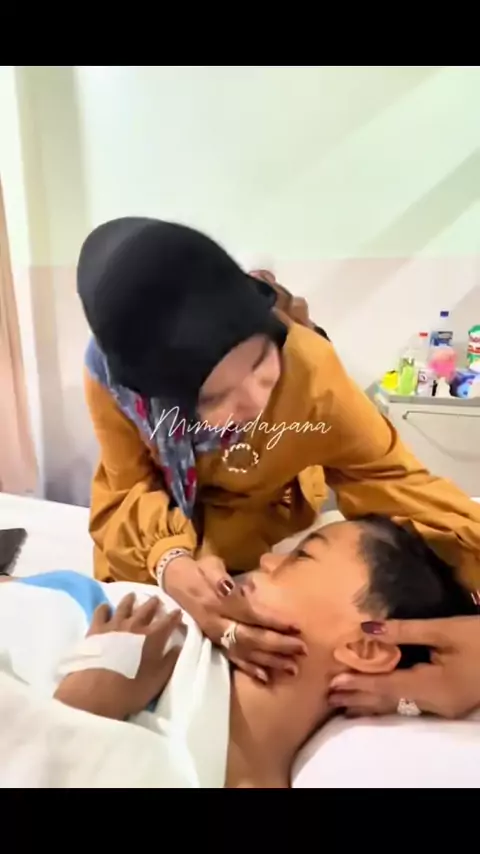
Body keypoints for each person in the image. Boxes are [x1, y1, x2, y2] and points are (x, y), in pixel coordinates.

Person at [77, 217, 480, 685]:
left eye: (260, 362)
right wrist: (170, 564)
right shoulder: (113, 383)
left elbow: (393, 480)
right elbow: (128, 485)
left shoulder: (308, 371)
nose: (253, 400)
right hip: (150, 564)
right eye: (213, 397)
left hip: (251, 535)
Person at [0, 515, 478, 788]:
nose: (267, 559)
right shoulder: (144, 626)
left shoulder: (116, 666)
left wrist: (83, 708)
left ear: (367, 646)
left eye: (302, 556)